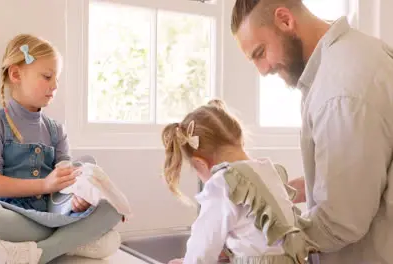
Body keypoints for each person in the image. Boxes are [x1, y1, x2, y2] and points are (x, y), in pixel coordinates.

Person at [231, 0, 393, 263]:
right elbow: (366, 175)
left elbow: (341, 221)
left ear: (285, 20)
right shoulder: (360, 52)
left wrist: (249, 246)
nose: (263, 70)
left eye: (260, 52)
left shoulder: (340, 91)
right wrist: (284, 193)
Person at [0, 34, 122, 264]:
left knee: (112, 207)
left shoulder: (57, 130)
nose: (55, 85)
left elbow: (65, 189)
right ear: (16, 74)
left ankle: (37, 252)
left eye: (56, 78)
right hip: (12, 218)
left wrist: (78, 198)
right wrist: (44, 184)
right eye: (47, 76)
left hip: (54, 215)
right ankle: (73, 243)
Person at [161, 99, 316, 264]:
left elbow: (203, 244)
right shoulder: (267, 170)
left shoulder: (222, 182)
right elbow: (256, 236)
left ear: (201, 163)